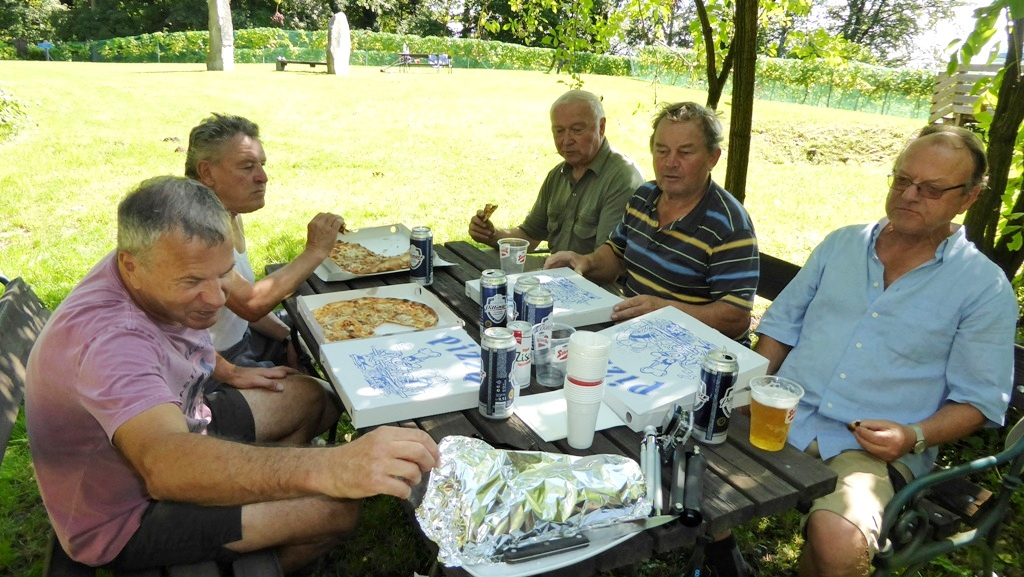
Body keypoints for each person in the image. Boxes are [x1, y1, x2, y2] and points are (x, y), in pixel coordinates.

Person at [25, 176, 440, 573]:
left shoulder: (156, 260)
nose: (215, 298)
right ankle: (253, 559)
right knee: (334, 507)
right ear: (131, 265)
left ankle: (260, 516)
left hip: (185, 428)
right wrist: (327, 468)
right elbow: (165, 466)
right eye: (192, 281)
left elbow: (181, 334)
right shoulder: (111, 341)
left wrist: (225, 368)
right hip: (124, 514)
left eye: (223, 273)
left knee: (310, 397)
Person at [753, 124, 1017, 577]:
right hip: (784, 417)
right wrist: (754, 388)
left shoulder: (982, 287)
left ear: (968, 198)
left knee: (837, 540)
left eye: (931, 189)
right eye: (902, 180)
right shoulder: (843, 244)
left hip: (872, 451)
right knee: (682, 449)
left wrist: (911, 437)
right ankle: (719, 555)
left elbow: (978, 401)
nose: (910, 195)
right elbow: (780, 327)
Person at [544, 101, 758, 341]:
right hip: (633, 333)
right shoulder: (645, 196)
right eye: (662, 150)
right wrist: (584, 261)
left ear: (712, 158)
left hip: (693, 351)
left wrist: (664, 312)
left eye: (685, 152)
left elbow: (735, 317)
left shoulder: (728, 225)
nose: (670, 162)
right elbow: (616, 255)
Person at [185, 113, 344, 372]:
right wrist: (315, 251)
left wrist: (286, 336)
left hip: (243, 338)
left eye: (262, 164)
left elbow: (236, 306)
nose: (262, 177)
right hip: (212, 364)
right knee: (321, 397)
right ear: (207, 172)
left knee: (328, 325)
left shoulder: (228, 213)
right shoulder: (196, 227)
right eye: (247, 167)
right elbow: (250, 304)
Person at [468, 89, 645, 256]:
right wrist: (492, 235)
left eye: (577, 130)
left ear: (601, 127)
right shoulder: (558, 174)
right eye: (559, 131)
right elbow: (530, 236)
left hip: (597, 285)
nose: (566, 140)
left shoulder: (622, 179)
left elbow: (607, 263)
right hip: (558, 277)